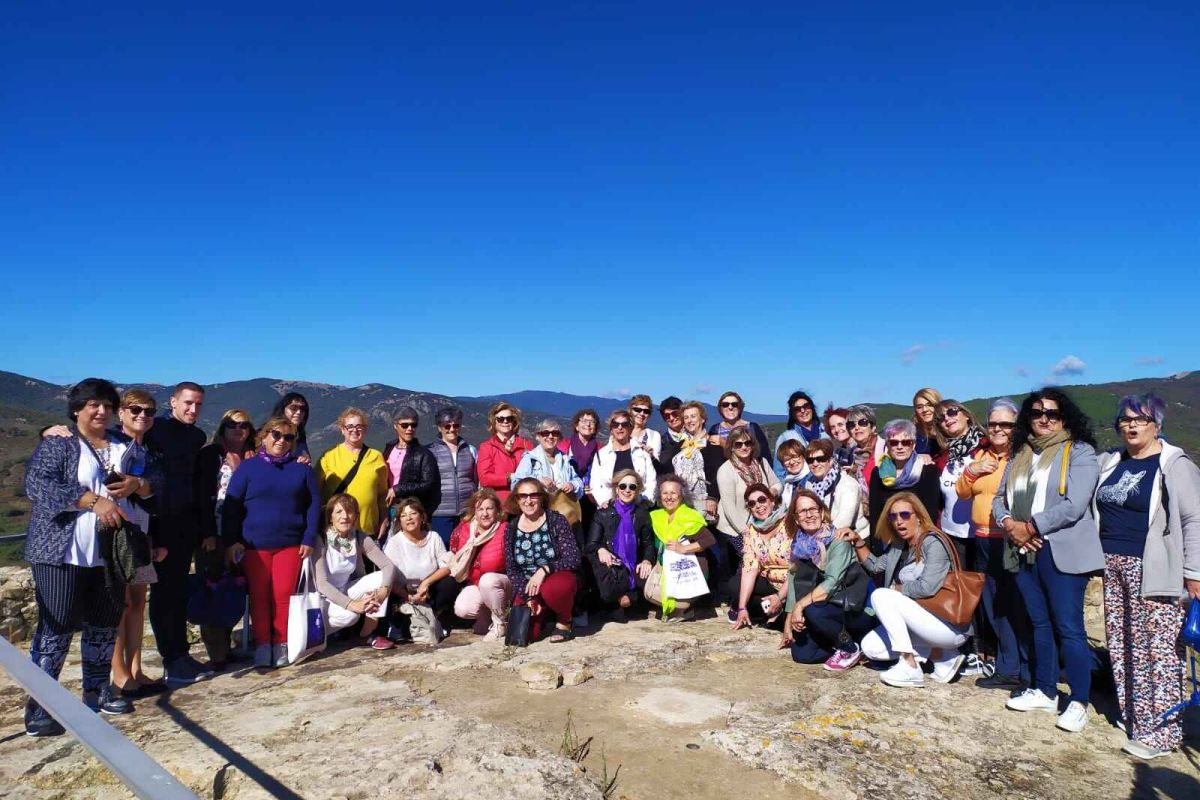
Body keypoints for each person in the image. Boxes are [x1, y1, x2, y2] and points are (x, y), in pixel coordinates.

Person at [23, 379, 140, 734]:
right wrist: (92, 500)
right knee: (55, 627)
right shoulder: (60, 443)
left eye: (107, 404)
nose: (101, 410)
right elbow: (37, 485)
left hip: (108, 554)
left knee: (104, 624)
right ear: (77, 409)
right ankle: (41, 707)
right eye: (93, 404)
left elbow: (156, 481)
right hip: (61, 553)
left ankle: (97, 691)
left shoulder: (125, 445)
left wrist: (139, 484)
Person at [1094, 393, 1200, 758]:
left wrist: (1194, 572)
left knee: (1158, 649)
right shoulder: (1112, 462)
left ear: (1157, 424)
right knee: (1123, 644)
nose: (1131, 424)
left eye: (1140, 418)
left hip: (1153, 565)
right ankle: (1136, 717)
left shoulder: (1174, 463)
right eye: (1125, 419)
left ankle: (1164, 732)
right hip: (1112, 564)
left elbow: (1194, 519)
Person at [992, 388, 1102, 733]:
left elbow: (1076, 503)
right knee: (1039, 623)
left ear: (1064, 417)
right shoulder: (1021, 454)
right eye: (1038, 413)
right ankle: (1045, 688)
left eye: (1052, 413)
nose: (1044, 419)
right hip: (1023, 549)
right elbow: (999, 499)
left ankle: (1079, 701)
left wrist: (1032, 526)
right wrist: (1009, 524)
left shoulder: (1079, 452)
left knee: (1069, 628)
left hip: (1060, 549)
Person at [222, 416, 321, 669]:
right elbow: (232, 508)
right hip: (254, 545)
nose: (281, 441)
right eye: (276, 434)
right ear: (264, 436)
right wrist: (231, 541)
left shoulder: (302, 469)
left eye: (288, 437)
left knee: (283, 596)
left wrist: (309, 537)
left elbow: (312, 506)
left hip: (290, 544)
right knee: (259, 596)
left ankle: (282, 642)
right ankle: (263, 643)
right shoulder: (248, 468)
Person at [849, 493, 970, 688]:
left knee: (881, 595)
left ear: (919, 516)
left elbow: (928, 587)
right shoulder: (899, 544)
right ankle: (941, 656)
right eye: (893, 516)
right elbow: (876, 566)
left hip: (947, 625)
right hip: (923, 624)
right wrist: (858, 542)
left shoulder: (934, 542)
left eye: (905, 515)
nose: (898, 521)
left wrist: (896, 589)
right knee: (870, 648)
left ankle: (909, 665)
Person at [955, 398, 1029, 692]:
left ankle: (1019, 667)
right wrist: (974, 469)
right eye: (994, 423)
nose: (998, 429)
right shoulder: (982, 453)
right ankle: (1007, 666)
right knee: (992, 604)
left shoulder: (1022, 457)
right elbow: (962, 491)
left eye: (1006, 424)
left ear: (1016, 427)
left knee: (1012, 605)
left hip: (1010, 539)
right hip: (982, 538)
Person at [145, 380, 212, 686]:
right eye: (187, 403)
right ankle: (171, 659)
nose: (193, 409)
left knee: (178, 591)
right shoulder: (154, 429)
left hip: (186, 522)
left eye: (198, 404)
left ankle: (181, 655)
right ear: (172, 402)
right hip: (159, 523)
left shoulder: (197, 436)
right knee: (163, 593)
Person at [782, 489, 873, 670]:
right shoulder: (799, 545)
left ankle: (849, 647)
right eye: (803, 511)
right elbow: (794, 578)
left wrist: (800, 606)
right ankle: (839, 646)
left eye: (813, 509)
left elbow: (831, 584)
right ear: (796, 518)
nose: (809, 515)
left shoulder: (838, 541)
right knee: (802, 654)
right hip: (823, 609)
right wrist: (789, 619)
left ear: (822, 512)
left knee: (813, 610)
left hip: (851, 607)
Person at [194, 408, 257, 671]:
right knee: (213, 589)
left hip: (243, 536)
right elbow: (199, 495)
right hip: (215, 534)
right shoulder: (210, 456)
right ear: (223, 428)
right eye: (232, 425)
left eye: (243, 425)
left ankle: (229, 646)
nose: (238, 429)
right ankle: (217, 655)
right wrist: (206, 532)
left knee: (236, 589)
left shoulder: (253, 457)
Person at [312, 494, 396, 649]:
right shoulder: (321, 539)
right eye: (339, 512)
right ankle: (316, 634)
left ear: (356, 516)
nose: (345, 517)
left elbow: (388, 566)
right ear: (330, 517)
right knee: (350, 616)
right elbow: (321, 584)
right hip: (321, 598)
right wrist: (352, 604)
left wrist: (382, 592)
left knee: (380, 578)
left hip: (345, 590)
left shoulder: (357, 536)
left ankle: (366, 634)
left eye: (350, 512)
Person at [504, 478, 581, 642]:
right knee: (524, 636)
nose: (528, 500)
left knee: (557, 588)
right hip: (528, 586)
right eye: (523, 496)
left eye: (534, 495)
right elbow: (512, 569)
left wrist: (544, 570)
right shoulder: (511, 527)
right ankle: (544, 611)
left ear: (542, 497)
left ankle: (564, 620)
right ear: (516, 500)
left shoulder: (556, 520)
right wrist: (528, 597)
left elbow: (573, 558)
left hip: (554, 578)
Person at [645, 475, 717, 620]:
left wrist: (684, 548)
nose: (669, 497)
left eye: (673, 493)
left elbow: (709, 540)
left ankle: (685, 609)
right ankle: (675, 608)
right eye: (665, 493)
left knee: (680, 604)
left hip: (687, 571)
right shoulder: (657, 516)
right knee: (648, 592)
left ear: (682, 495)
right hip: (664, 568)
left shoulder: (689, 516)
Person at [382, 498, 458, 634]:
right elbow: (387, 577)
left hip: (428, 590)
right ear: (400, 521)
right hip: (402, 592)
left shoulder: (433, 537)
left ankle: (435, 616)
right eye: (404, 516)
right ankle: (400, 621)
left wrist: (426, 584)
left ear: (422, 517)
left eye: (413, 514)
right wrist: (408, 596)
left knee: (449, 584)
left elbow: (446, 567)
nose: (409, 518)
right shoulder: (395, 543)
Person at [586, 469, 655, 614]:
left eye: (632, 487)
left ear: (637, 491)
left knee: (635, 596)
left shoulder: (642, 514)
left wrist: (647, 560)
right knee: (609, 591)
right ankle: (616, 601)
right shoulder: (603, 513)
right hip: (611, 565)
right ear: (617, 488)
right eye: (623, 486)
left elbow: (648, 544)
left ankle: (623, 600)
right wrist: (601, 549)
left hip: (633, 565)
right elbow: (591, 545)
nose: (627, 490)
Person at [867, 419, 942, 551]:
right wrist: (876, 545)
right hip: (888, 541)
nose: (900, 447)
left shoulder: (928, 471)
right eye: (894, 442)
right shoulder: (878, 473)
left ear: (913, 445)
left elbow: (930, 514)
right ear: (887, 445)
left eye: (906, 442)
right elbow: (875, 513)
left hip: (919, 542)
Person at [448, 489, 512, 640]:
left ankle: (500, 622)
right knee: (462, 609)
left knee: (488, 580)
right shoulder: (463, 530)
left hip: (505, 585)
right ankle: (486, 615)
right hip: (477, 584)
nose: (485, 513)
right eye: (480, 509)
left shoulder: (506, 529)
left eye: (489, 508)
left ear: (497, 511)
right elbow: (454, 556)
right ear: (474, 512)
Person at [317, 408, 388, 537]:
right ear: (342, 429)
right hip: (335, 532)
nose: (354, 430)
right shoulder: (328, 456)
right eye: (349, 426)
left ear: (365, 429)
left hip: (367, 531)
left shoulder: (376, 457)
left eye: (359, 426)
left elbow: (382, 495)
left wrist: (384, 520)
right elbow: (315, 491)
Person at [729, 484, 791, 630]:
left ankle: (780, 609)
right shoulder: (752, 531)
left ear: (772, 501)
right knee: (734, 585)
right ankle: (765, 611)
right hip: (770, 582)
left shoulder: (789, 523)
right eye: (752, 503)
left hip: (793, 582)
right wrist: (742, 607)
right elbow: (750, 568)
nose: (758, 506)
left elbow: (799, 567)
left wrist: (780, 596)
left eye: (762, 500)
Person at [933, 400, 986, 562]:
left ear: (967, 416)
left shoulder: (987, 447)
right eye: (941, 418)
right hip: (951, 534)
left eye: (952, 412)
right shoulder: (942, 458)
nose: (947, 419)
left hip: (983, 534)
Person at [715, 428, 781, 554]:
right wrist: (746, 533)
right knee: (751, 561)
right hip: (737, 528)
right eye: (738, 444)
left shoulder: (761, 462)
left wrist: (772, 491)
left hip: (763, 523)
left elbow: (777, 484)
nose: (744, 447)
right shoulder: (726, 471)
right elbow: (729, 507)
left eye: (747, 443)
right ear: (731, 447)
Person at [427, 407, 478, 547]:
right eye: (447, 426)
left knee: (466, 549)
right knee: (443, 551)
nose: (451, 429)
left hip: (466, 512)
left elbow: (476, 480)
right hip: (440, 512)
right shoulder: (430, 451)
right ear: (439, 427)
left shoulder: (471, 450)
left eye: (456, 425)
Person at [590, 410, 657, 507]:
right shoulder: (601, 455)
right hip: (610, 508)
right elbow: (595, 483)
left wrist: (646, 501)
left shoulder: (642, 453)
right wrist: (603, 502)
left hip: (638, 507)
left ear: (630, 427)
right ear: (611, 429)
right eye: (615, 424)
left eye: (624, 424)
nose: (619, 427)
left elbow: (651, 481)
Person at [511, 418, 584, 506]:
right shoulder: (530, 458)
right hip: (538, 510)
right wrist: (538, 481)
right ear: (538, 436)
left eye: (555, 433)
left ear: (559, 437)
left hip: (562, 510)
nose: (550, 436)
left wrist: (572, 485)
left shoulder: (565, 459)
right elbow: (515, 484)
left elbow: (578, 481)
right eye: (545, 433)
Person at [803, 438, 867, 538]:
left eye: (821, 459)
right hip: (822, 534)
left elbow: (844, 521)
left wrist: (817, 536)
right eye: (810, 460)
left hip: (853, 535)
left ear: (830, 461)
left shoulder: (848, 484)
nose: (815, 464)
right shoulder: (809, 484)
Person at [382, 406, 440, 515]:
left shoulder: (424, 454)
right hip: (388, 506)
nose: (409, 429)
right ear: (395, 426)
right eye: (404, 425)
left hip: (410, 509)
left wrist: (398, 490)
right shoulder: (389, 449)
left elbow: (427, 485)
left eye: (413, 425)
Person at [672, 401, 723, 521]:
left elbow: (717, 472)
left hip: (705, 504)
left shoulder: (712, 443)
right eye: (686, 417)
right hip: (683, 502)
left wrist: (713, 497)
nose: (689, 420)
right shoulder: (681, 446)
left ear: (702, 419)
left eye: (693, 416)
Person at [477, 402, 531, 505]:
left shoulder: (526, 445)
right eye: (500, 419)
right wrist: (509, 477)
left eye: (509, 418)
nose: (505, 421)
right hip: (499, 504)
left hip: (525, 503)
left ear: (514, 421)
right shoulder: (487, 447)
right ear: (494, 422)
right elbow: (484, 478)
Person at [773, 390, 823, 479]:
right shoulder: (786, 438)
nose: (803, 411)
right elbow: (779, 473)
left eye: (806, 406)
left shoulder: (825, 432)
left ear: (812, 407)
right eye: (797, 409)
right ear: (793, 414)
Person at [708, 390, 771, 458]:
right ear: (720, 408)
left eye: (734, 404)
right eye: (725, 404)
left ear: (740, 407)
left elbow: (764, 455)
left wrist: (725, 444)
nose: (730, 407)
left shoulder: (752, 428)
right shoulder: (715, 430)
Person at [847, 404, 885, 510]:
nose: (857, 427)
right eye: (851, 425)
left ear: (873, 427)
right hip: (864, 515)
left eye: (862, 423)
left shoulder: (885, 449)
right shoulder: (853, 455)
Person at [271, 392, 312, 463]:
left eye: (302, 409)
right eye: (293, 408)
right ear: (283, 409)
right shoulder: (271, 432)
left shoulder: (300, 435)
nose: (299, 412)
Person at [776, 440, 809, 512]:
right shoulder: (787, 483)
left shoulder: (811, 478)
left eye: (794, 456)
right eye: (787, 459)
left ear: (803, 456)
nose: (791, 462)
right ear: (783, 464)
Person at [656, 396, 686, 475]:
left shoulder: (695, 437)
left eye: (675, 413)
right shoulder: (661, 443)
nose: (672, 418)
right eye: (667, 416)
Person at [628, 394, 662, 461]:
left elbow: (657, 463)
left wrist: (651, 456)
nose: (642, 414)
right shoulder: (621, 432)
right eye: (637, 410)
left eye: (646, 411)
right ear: (630, 411)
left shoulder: (654, 436)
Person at [912, 387, 944, 458]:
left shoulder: (948, 431)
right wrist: (916, 457)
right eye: (919, 407)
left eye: (930, 405)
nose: (925, 410)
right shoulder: (911, 433)